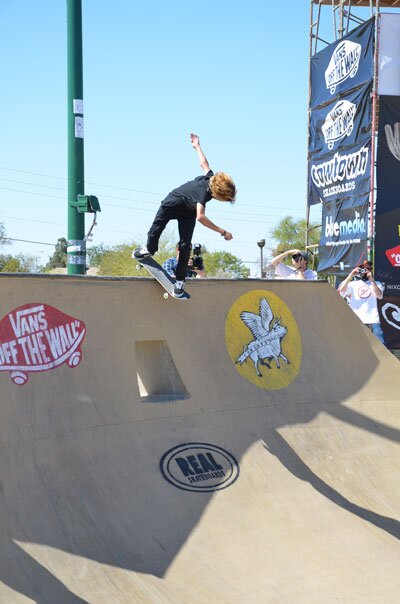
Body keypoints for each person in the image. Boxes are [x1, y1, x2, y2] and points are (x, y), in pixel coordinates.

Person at [133, 134, 235, 297]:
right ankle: (148, 249)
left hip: (187, 212)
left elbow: (204, 164)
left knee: (185, 245)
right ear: (218, 194)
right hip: (171, 204)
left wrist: (197, 147)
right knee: (156, 229)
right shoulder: (202, 194)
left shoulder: (210, 178)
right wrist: (223, 232)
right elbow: (200, 217)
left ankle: (180, 281)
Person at [337, 260, 385, 344]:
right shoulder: (353, 284)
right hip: (356, 320)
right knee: (354, 345)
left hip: (373, 320)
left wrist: (372, 280)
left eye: (367, 269)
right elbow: (341, 291)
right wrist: (351, 274)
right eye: (362, 268)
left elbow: (380, 296)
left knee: (380, 346)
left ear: (371, 270)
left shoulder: (377, 283)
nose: (364, 271)